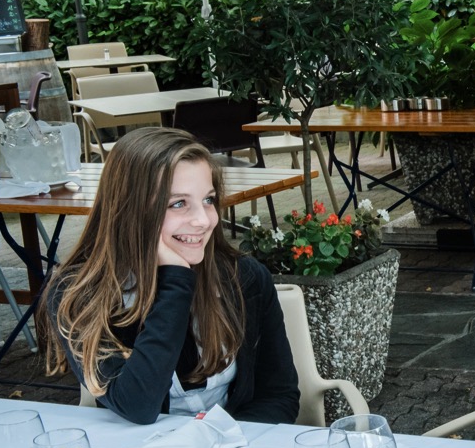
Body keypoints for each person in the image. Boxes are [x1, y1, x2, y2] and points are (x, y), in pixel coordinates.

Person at [44, 127, 299, 425]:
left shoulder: (244, 278)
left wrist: (220, 443)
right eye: (177, 203)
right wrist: (175, 280)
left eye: (208, 200)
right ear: (130, 212)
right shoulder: (80, 294)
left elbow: (279, 396)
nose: (204, 221)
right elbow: (136, 405)